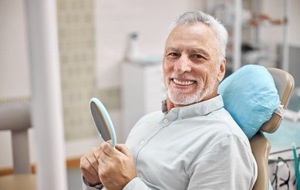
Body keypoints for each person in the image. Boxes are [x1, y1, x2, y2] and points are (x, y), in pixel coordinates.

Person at [80, 10, 257, 190]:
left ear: (220, 69)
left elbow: (124, 184)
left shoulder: (224, 143)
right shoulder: (146, 122)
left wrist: (128, 185)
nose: (180, 67)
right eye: (173, 54)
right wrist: (95, 182)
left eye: (197, 56)